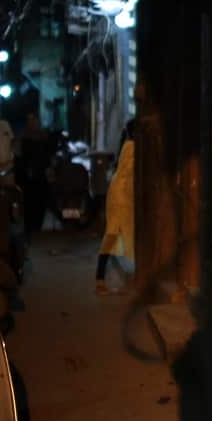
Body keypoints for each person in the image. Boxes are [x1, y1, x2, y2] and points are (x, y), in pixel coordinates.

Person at [95, 119, 135, 296]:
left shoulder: (128, 145)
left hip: (121, 194)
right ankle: (99, 280)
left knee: (115, 234)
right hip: (121, 196)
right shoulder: (132, 147)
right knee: (111, 235)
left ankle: (100, 279)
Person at [16, 111, 53, 239]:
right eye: (29, 120)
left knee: (40, 201)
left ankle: (37, 227)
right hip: (27, 175)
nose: (32, 123)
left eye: (34, 120)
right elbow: (19, 155)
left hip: (40, 174)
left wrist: (47, 169)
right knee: (28, 202)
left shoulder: (42, 135)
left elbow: (47, 155)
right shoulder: (23, 136)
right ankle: (29, 228)